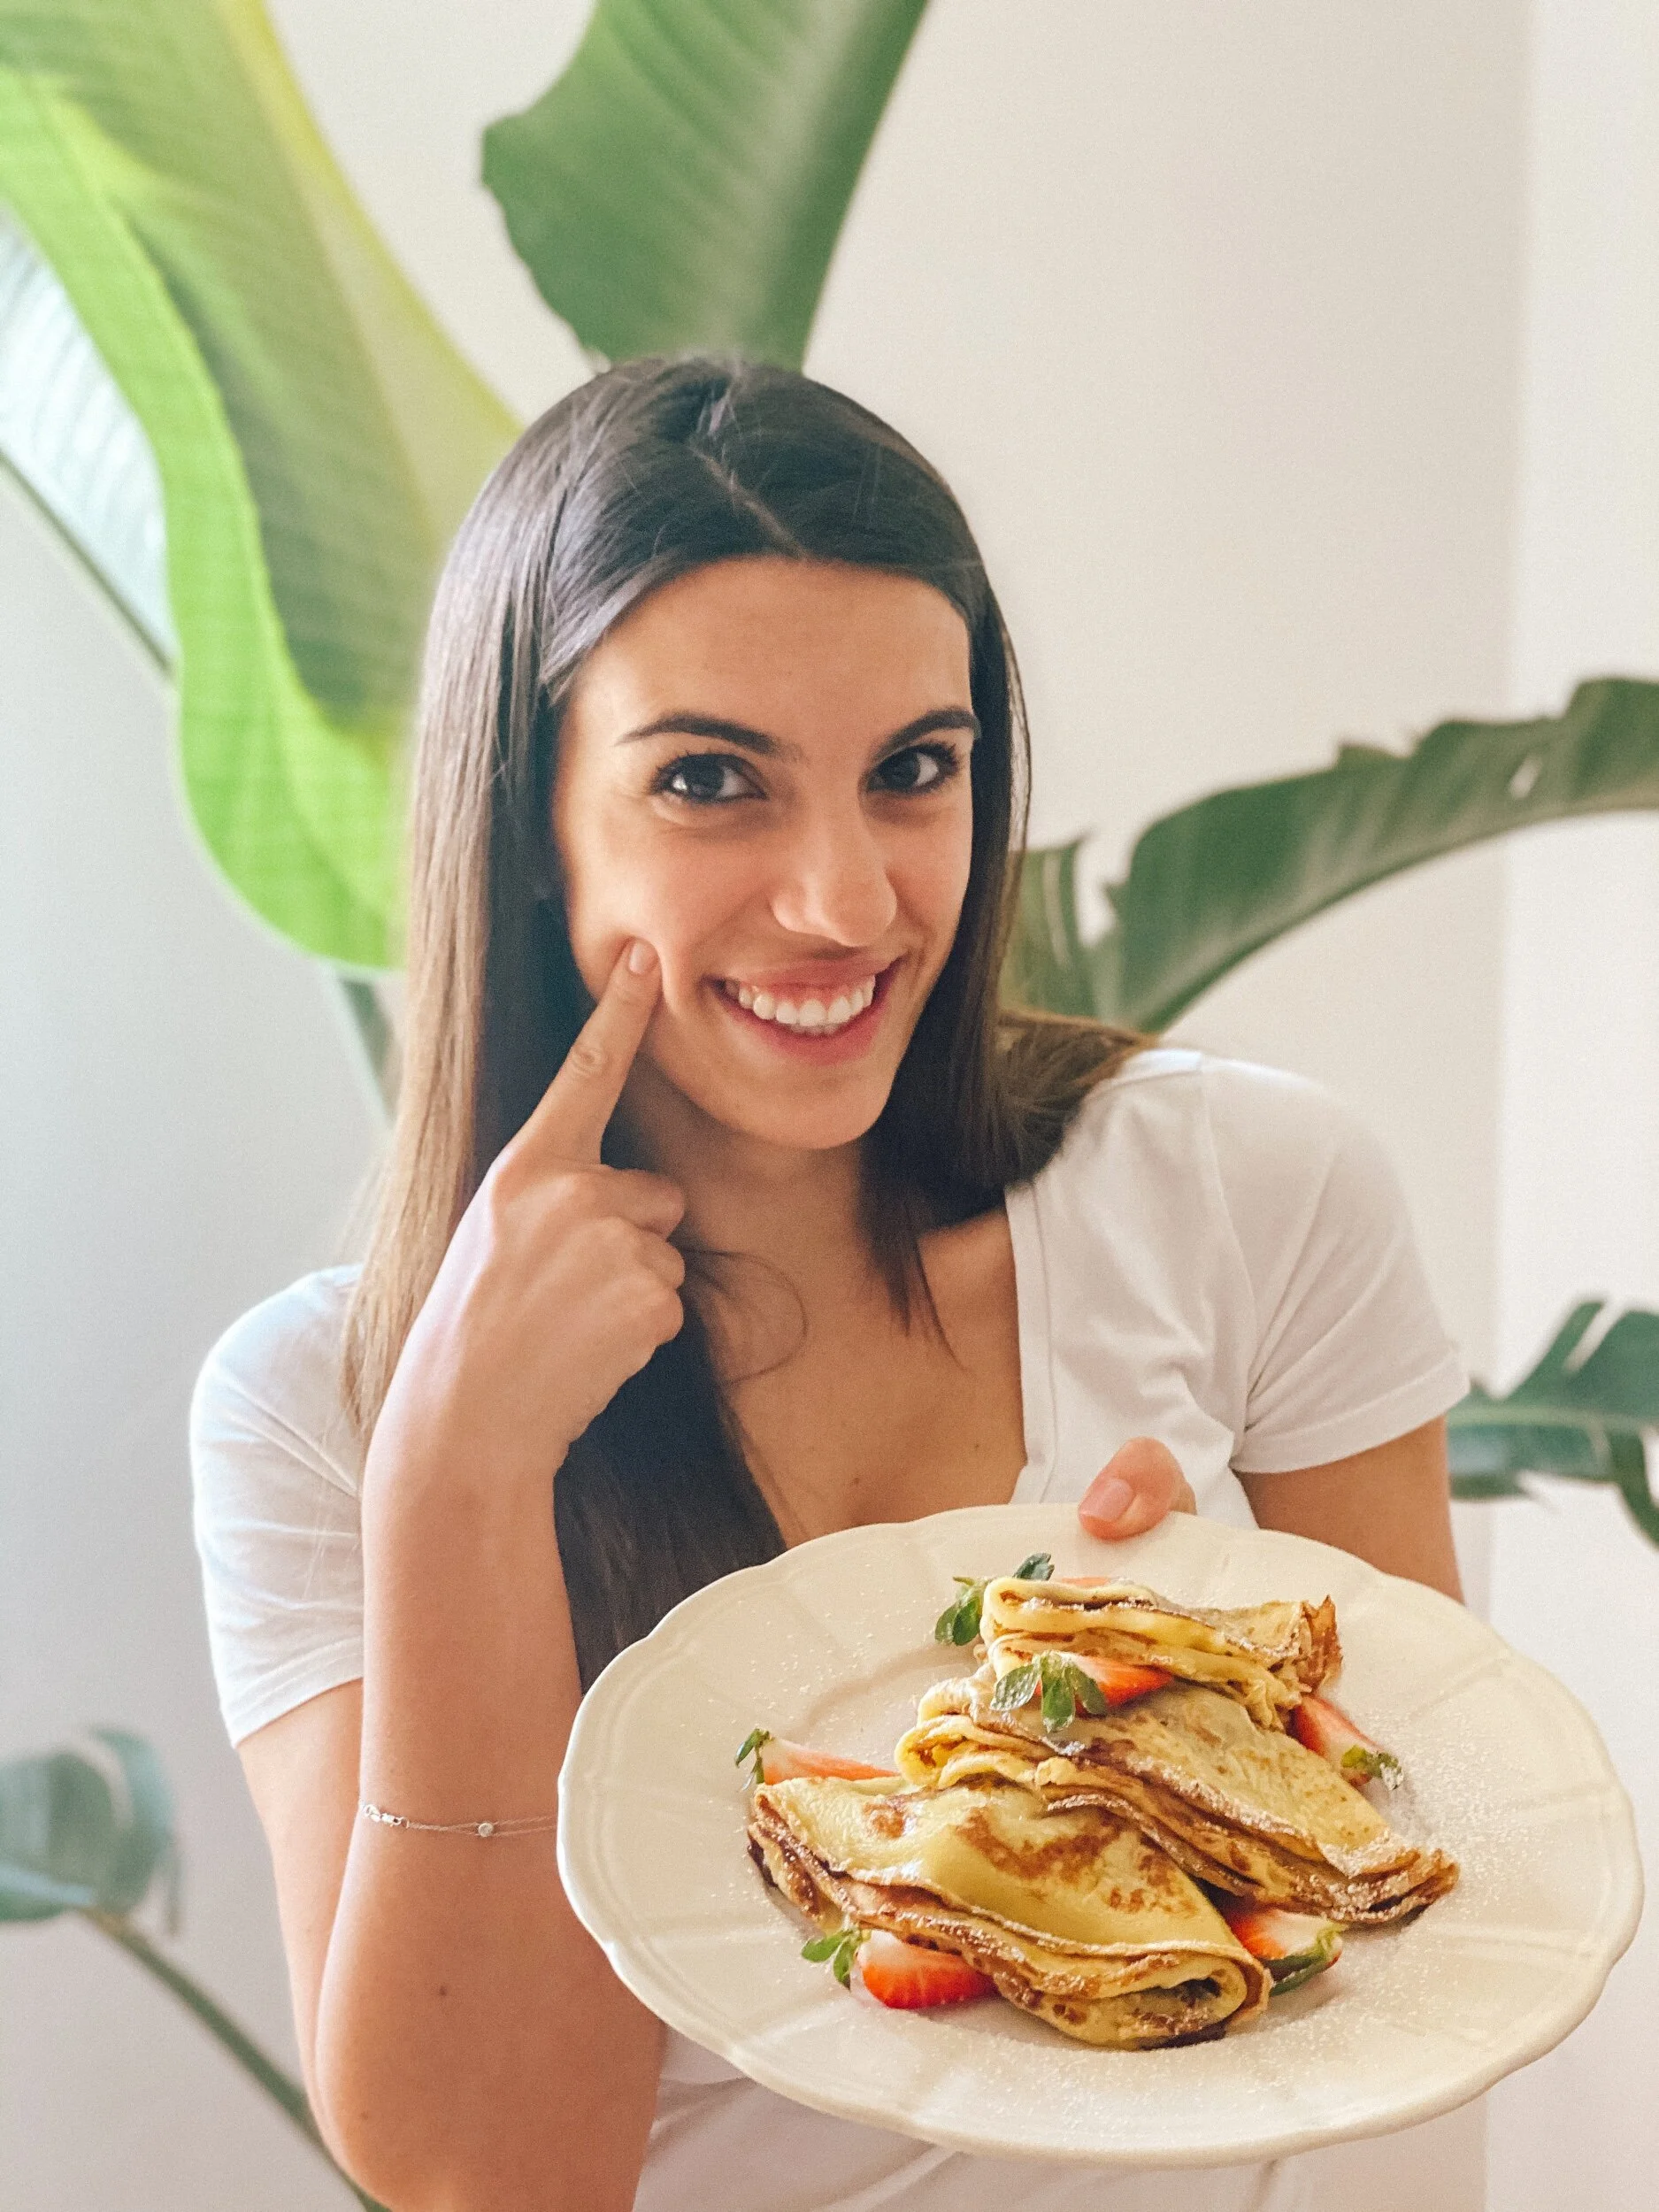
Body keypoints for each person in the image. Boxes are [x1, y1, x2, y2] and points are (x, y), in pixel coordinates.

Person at [191, 356, 1471, 2212]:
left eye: (913, 771)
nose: (845, 900)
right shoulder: (322, 1402)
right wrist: (457, 1481)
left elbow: (1427, 1934)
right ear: (531, 824)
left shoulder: (1247, 1192)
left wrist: (1192, 1704)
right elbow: (491, 2173)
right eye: (709, 781)